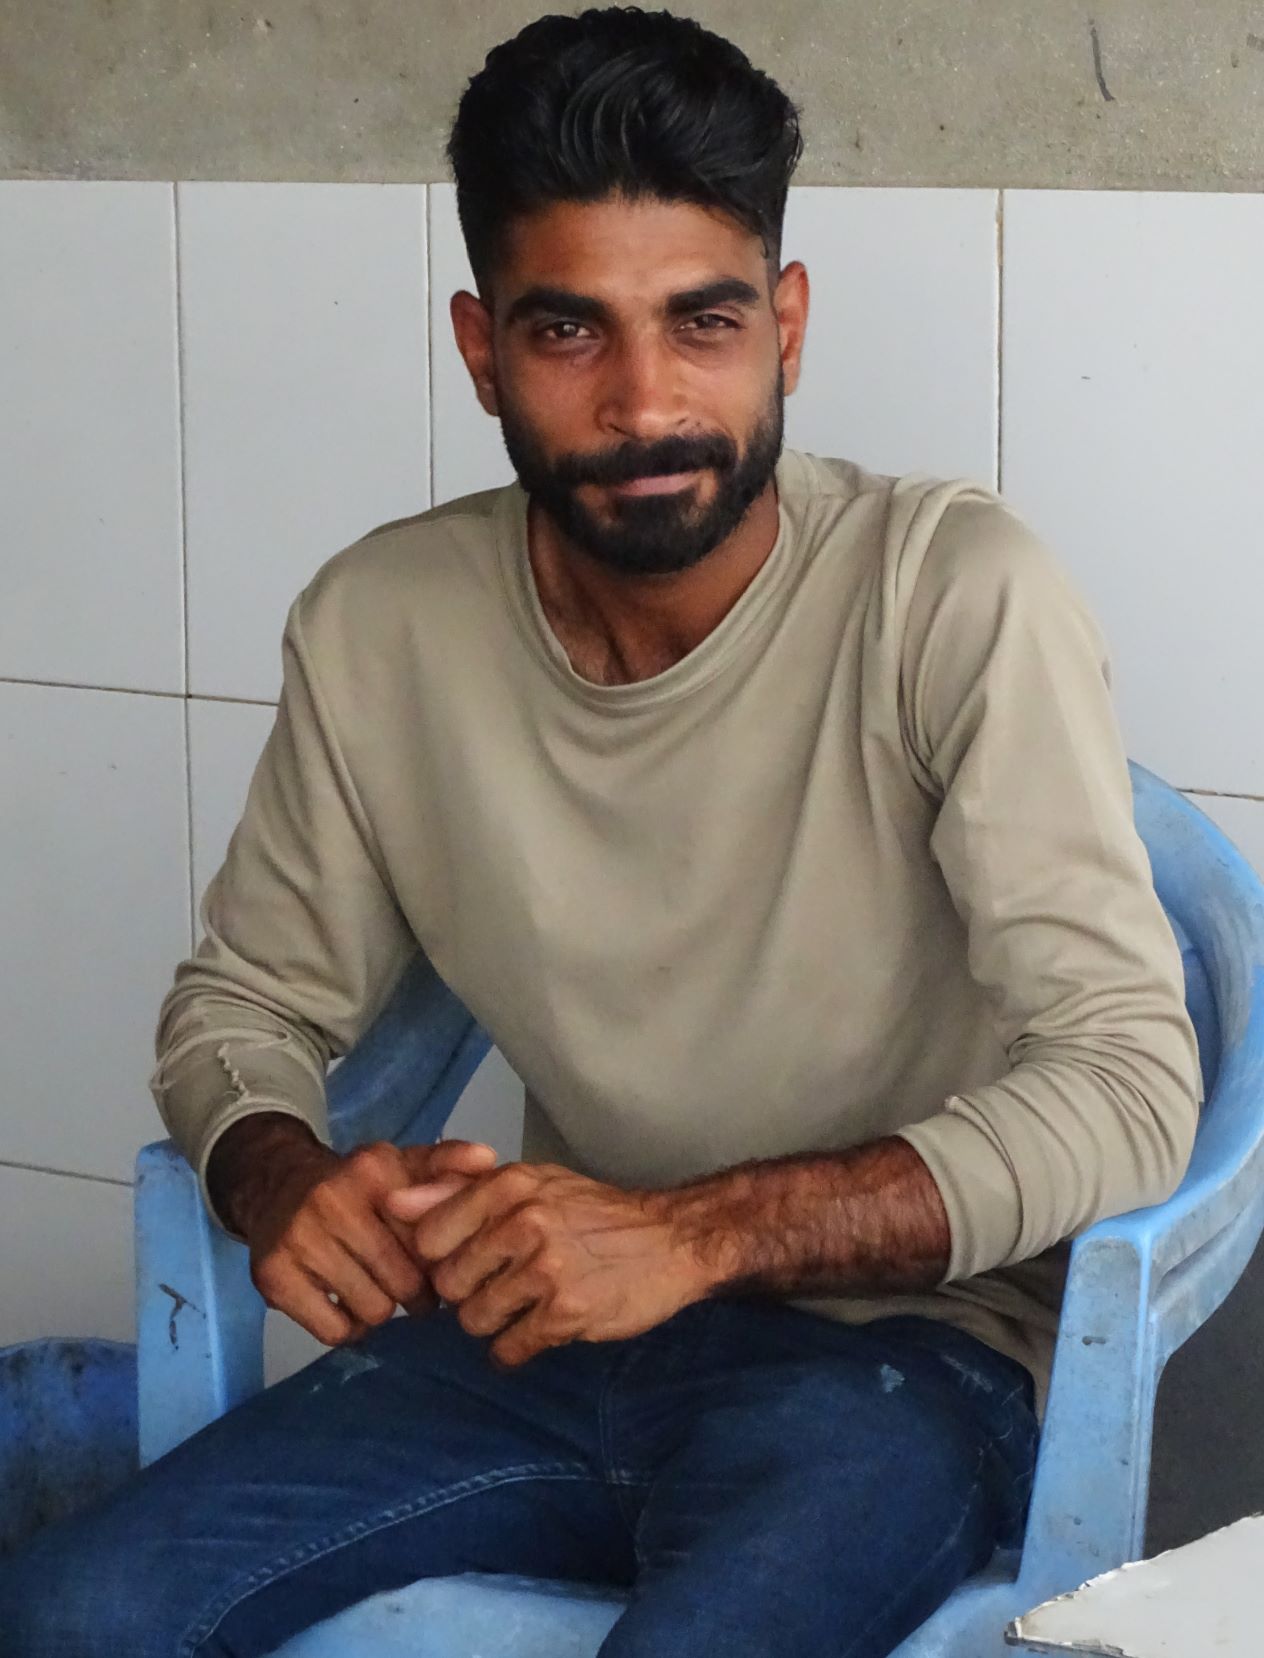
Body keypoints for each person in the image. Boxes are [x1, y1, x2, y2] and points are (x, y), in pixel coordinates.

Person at [0, 8, 1200, 1655]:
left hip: (907, 1357)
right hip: (538, 1333)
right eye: (571, 334)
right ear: (481, 348)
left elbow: (1132, 1080)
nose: (648, 402)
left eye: (702, 321)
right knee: (75, 1609)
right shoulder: (380, 626)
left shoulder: (949, 592)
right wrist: (276, 1167)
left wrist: (693, 1233)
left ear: (785, 326)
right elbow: (244, 1010)